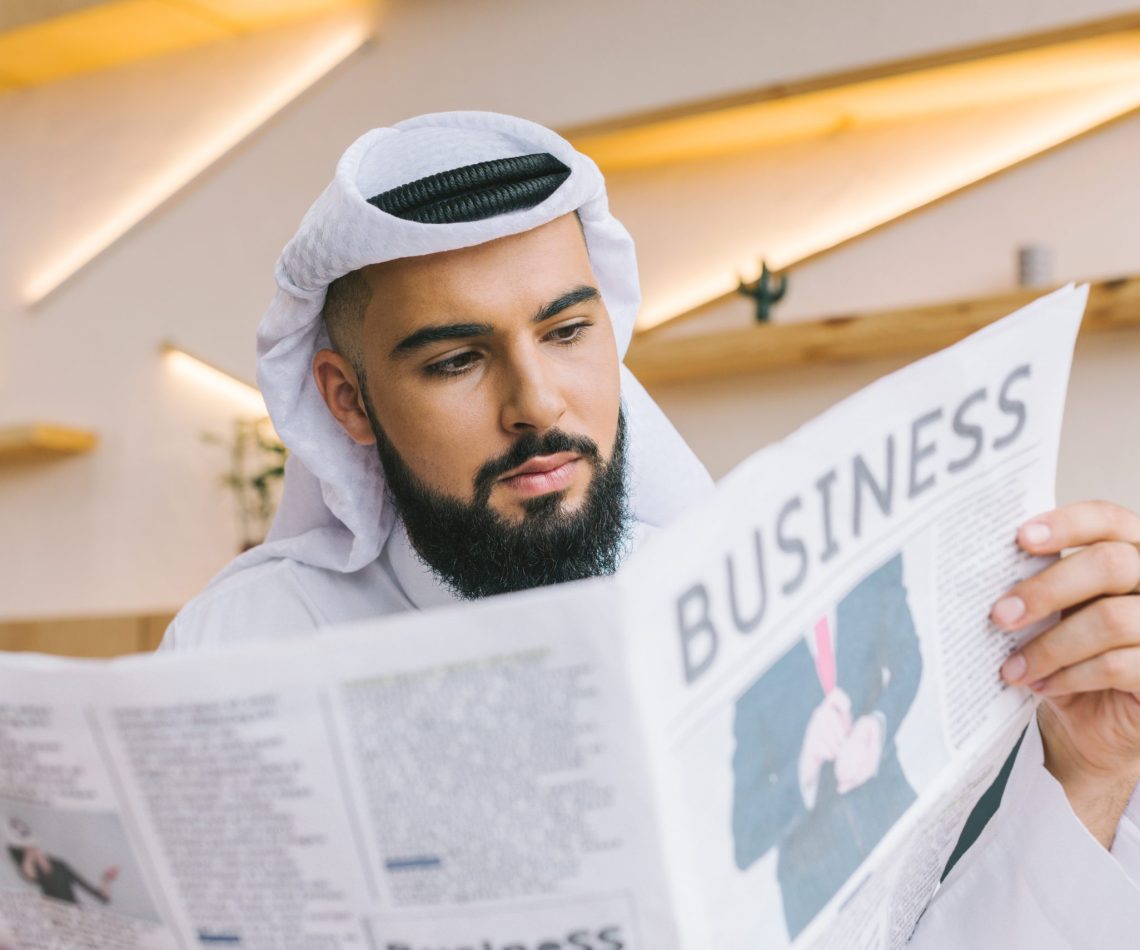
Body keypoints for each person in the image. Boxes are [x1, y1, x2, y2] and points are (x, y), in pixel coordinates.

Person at [163, 112, 1140, 945]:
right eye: (459, 358)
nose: (535, 402)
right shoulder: (239, 645)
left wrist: (1091, 774)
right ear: (348, 399)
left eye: (567, 330)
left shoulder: (742, 614)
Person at [732, 553, 922, 938]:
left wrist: (878, 725)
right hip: (817, 897)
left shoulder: (870, 565)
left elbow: (909, 661)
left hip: (901, 832)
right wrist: (805, 765)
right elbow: (746, 837)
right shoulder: (747, 646)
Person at [5, 817, 118, 907]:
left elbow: (102, 898)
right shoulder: (39, 874)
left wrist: (106, 879)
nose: (34, 850)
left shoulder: (60, 866)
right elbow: (30, 875)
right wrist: (29, 856)